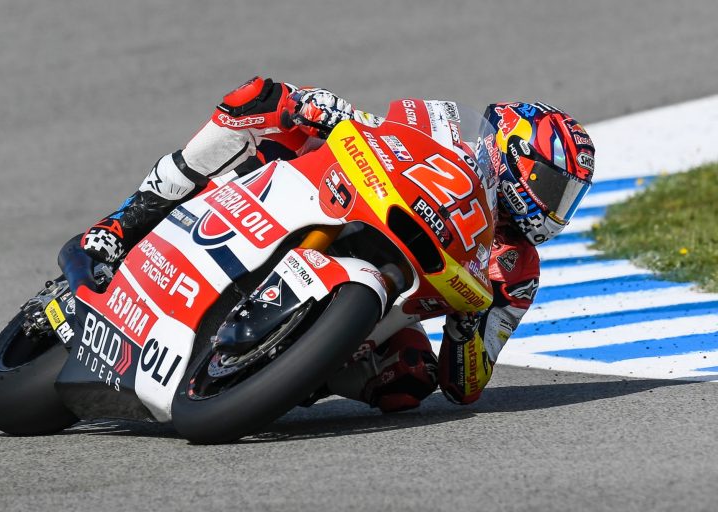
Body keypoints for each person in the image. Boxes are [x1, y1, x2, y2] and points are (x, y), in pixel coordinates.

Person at [81, 76, 595, 412]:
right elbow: (380, 128)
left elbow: (466, 386)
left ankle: (285, 375)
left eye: (568, 198)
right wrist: (327, 110)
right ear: (512, 152)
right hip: (329, 197)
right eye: (553, 187)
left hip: (385, 302)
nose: (555, 209)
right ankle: (125, 223)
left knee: (409, 381)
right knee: (261, 98)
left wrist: (469, 326)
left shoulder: (517, 270)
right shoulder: (441, 128)